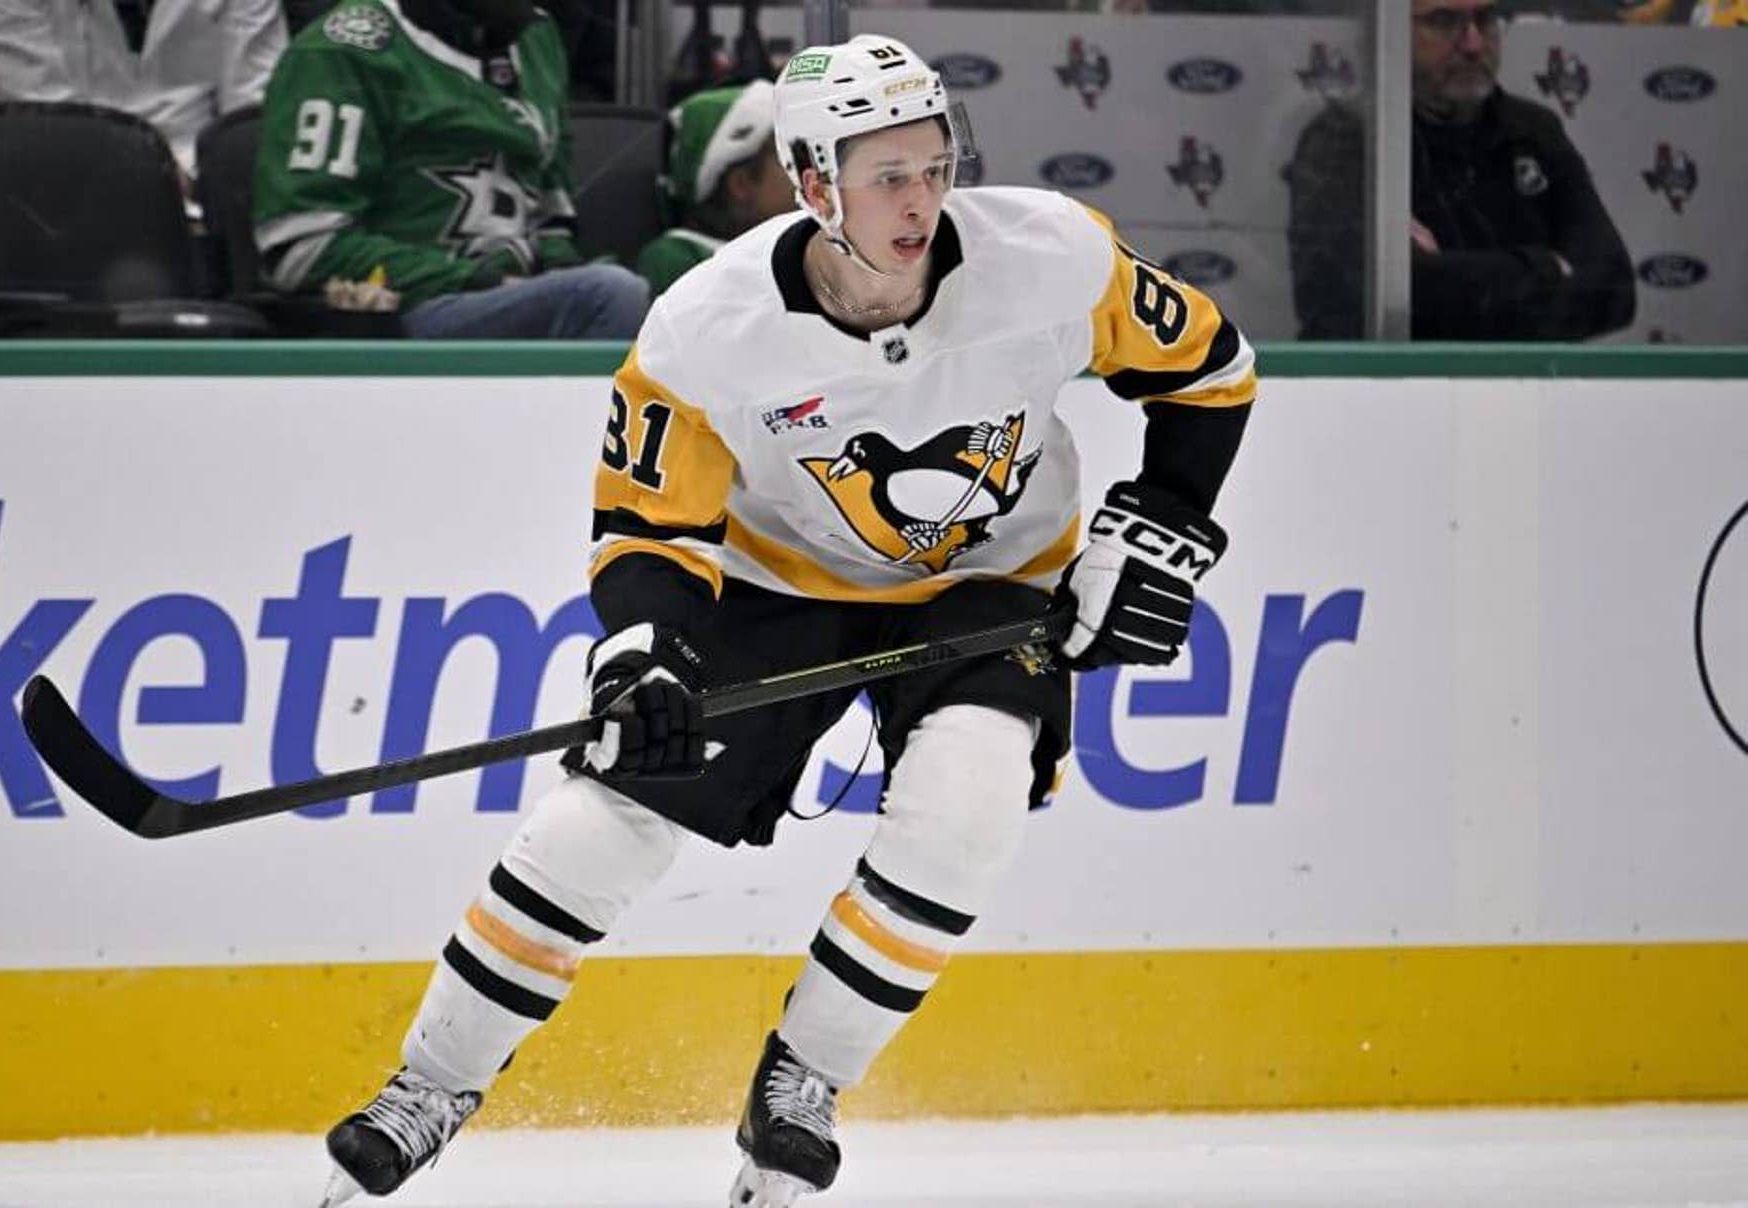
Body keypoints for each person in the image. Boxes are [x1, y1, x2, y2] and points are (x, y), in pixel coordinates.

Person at [317, 33, 1254, 1208]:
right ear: (815, 185)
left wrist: (1162, 523)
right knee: (597, 824)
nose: (922, 200)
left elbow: (1213, 371)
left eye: (934, 163)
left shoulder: (1055, 257)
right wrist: (645, 654)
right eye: (886, 176)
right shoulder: (707, 325)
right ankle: (429, 1086)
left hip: (993, 582)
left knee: (965, 807)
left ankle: (802, 1082)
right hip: (777, 583)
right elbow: (649, 526)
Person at [253, 0, 647, 339]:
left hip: (510, 296)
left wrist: (557, 267)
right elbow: (302, 248)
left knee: (669, 303)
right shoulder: (340, 50)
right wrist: (474, 280)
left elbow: (551, 216)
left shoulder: (537, 38)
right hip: (402, 313)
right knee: (608, 295)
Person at [1285, 0, 1635, 340]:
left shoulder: (1532, 132)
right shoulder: (1346, 139)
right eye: (1443, 21)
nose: (1473, 44)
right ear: (1388, 33)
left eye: (1484, 19)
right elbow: (1348, 296)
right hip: (1387, 391)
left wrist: (1449, 280)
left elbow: (1615, 289)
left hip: (1525, 389)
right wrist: (1550, 269)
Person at [0, 0, 285, 179]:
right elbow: (53, 126)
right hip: (76, 193)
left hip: (216, 184)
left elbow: (256, 111)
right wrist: (156, 178)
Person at [637, 79, 797, 299]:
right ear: (740, 184)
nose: (808, 172)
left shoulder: (799, 245)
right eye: (790, 161)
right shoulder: (675, 257)